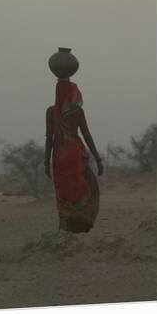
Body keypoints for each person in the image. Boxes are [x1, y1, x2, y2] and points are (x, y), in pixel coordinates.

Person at [44, 78, 103, 233]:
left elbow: (49, 138)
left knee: (63, 191)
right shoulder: (77, 112)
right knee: (87, 186)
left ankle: (66, 226)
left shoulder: (50, 112)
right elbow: (87, 135)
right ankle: (82, 225)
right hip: (75, 154)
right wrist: (97, 158)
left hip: (59, 155)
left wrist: (45, 161)